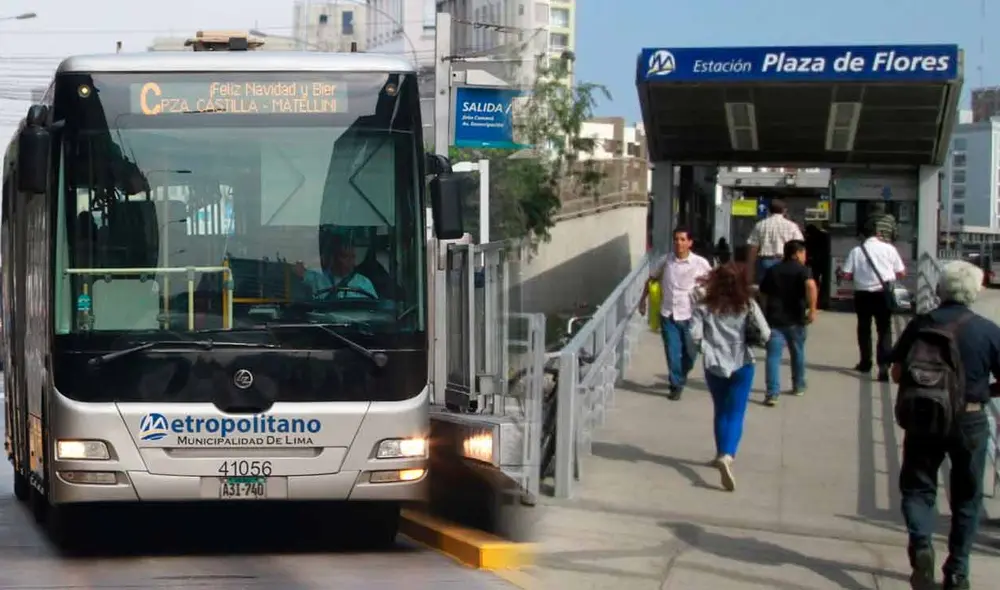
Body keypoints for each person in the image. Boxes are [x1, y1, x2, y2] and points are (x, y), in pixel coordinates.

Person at [889, 260, 999, 590]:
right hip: (970, 418)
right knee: (967, 497)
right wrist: (982, 392)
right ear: (975, 291)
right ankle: (957, 572)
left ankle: (922, 545)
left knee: (918, 488)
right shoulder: (988, 330)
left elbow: (896, 372)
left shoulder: (921, 324)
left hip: (925, 415)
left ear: (940, 288)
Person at [688, 262, 770, 491]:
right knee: (736, 412)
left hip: (714, 363)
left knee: (720, 410)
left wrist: (707, 347)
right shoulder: (747, 305)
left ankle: (719, 453)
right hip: (742, 361)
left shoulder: (703, 307)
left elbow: (693, 335)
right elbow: (766, 333)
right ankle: (728, 454)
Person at [638, 226, 713, 400]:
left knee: (690, 354)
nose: (678, 243)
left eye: (682, 239)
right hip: (668, 314)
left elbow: (713, 283)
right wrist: (643, 301)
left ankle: (680, 375)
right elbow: (651, 279)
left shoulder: (700, 263)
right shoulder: (665, 261)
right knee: (672, 352)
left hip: (691, 316)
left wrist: (707, 295)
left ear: (690, 242)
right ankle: (675, 384)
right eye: (676, 239)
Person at [840, 225, 905, 381]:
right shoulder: (889, 249)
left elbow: (847, 275)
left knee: (864, 329)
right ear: (878, 234)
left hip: (862, 295)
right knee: (884, 330)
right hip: (883, 294)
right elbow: (902, 272)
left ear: (862, 236)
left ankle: (865, 363)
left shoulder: (856, 251)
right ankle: (883, 366)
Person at [758, 240, 817, 406]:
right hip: (796, 320)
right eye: (803, 253)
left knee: (773, 357)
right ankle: (798, 385)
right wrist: (812, 309)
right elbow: (811, 285)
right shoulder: (803, 270)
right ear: (797, 253)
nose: (805, 257)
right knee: (797, 352)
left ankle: (772, 393)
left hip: (774, 320)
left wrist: (765, 309)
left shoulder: (773, 270)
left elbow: (763, 292)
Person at [293, 234, 378, 300]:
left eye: (353, 257)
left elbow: (374, 309)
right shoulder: (317, 278)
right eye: (345, 256)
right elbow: (297, 269)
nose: (350, 261)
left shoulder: (363, 283)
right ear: (333, 257)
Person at [746, 199, 804, 284]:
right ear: (784, 210)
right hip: (785, 262)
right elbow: (799, 246)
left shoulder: (760, 225)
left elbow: (753, 248)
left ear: (769, 210)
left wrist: (750, 271)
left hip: (765, 262)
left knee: (764, 289)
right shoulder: (792, 226)